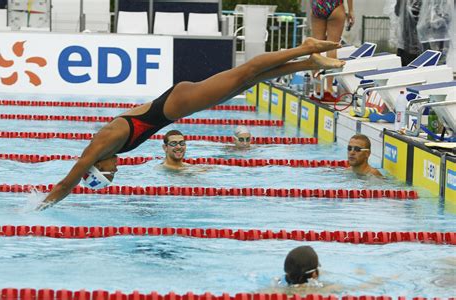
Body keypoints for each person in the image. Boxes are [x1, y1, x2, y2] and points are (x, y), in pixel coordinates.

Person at [36, 37, 345, 210]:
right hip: (177, 106)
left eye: (108, 174)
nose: (115, 173)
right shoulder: (109, 147)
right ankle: (308, 62)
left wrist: (40, 207)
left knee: (245, 72)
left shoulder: (102, 143)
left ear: (99, 166)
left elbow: (68, 180)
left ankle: (307, 47)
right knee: (247, 83)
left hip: (177, 102)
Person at [310, 0, 354, 101]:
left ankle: (317, 88)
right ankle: (329, 88)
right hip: (335, 5)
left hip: (318, 4)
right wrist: (351, 10)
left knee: (315, 48)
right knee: (332, 47)